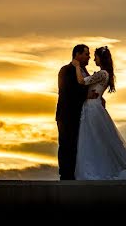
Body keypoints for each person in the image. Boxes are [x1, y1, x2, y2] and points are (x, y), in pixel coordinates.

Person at [72, 46, 126, 180]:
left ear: (101, 58)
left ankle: (95, 170)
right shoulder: (105, 74)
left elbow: (81, 81)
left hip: (92, 108)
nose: (93, 58)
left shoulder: (102, 73)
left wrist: (77, 66)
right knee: (94, 139)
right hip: (93, 106)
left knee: (92, 139)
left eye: (95, 56)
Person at [55, 43, 97, 180]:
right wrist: (86, 95)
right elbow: (66, 91)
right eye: (86, 54)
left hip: (83, 115)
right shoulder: (65, 70)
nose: (89, 57)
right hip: (67, 115)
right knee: (67, 144)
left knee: (79, 145)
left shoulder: (85, 72)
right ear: (77, 55)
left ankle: (78, 174)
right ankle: (66, 175)